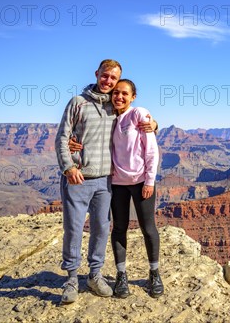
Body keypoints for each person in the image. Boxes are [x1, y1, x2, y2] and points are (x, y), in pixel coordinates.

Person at [55, 60, 156, 304]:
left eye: (114, 78)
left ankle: (94, 275)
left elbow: (139, 127)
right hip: (78, 179)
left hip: (105, 182)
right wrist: (68, 167)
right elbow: (62, 137)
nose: (109, 82)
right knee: (74, 230)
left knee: (101, 230)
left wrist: (155, 125)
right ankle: (70, 280)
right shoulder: (78, 103)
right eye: (106, 76)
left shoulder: (115, 107)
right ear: (97, 74)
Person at [109, 79, 163, 298]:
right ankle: (121, 276)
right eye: (116, 93)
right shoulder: (109, 117)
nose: (119, 97)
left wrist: (150, 180)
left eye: (124, 93)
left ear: (133, 97)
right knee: (119, 228)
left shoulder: (139, 113)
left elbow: (151, 150)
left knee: (147, 228)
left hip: (141, 181)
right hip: (117, 182)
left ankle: (154, 273)